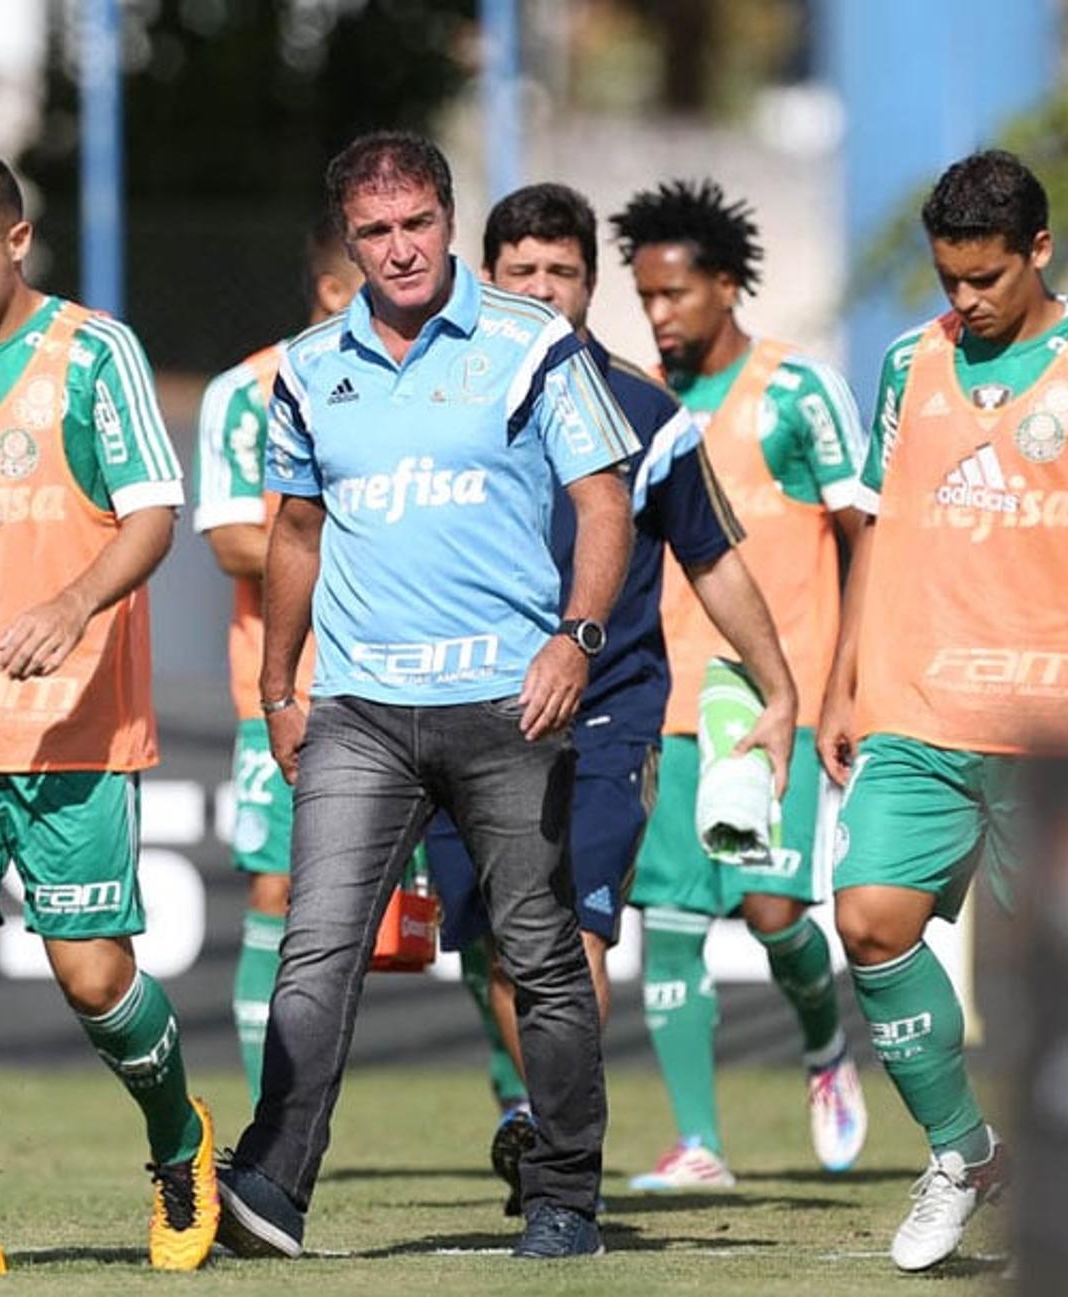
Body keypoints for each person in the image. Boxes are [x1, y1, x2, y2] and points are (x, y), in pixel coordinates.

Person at [213, 131, 638, 1262]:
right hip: (357, 707)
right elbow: (294, 530)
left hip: (510, 703)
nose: (398, 251)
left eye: (416, 225)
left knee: (538, 957)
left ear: (450, 220)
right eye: (374, 232)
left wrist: (576, 641)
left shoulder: (532, 342)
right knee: (317, 948)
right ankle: (271, 1189)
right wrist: (276, 683)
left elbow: (603, 502)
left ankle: (563, 1199)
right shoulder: (306, 369)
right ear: (347, 242)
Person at [0, 147, 217, 1275]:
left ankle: (179, 1138)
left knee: (93, 977)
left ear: (18, 241)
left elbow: (155, 515)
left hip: (73, 729)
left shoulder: (93, 354)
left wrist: (72, 603)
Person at [818, 149, 1068, 1271]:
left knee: (1052, 985)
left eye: (985, 280)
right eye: (947, 279)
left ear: (1040, 251)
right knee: (869, 916)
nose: (963, 302)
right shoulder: (905, 365)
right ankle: (964, 1152)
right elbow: (873, 526)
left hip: (1062, 728)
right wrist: (844, 677)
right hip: (922, 708)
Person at [420, 182, 800, 1214]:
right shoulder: (433, 398)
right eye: (522, 272)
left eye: (564, 272)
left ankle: (563, 1166)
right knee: (505, 949)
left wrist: (779, 685)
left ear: (592, 285)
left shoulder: (646, 413)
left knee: (568, 939)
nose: (544, 290)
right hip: (462, 709)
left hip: (606, 710)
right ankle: (553, 1121)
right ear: (485, 278)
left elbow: (714, 560)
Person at [607, 178, 870, 1190]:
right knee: (668, 922)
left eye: (675, 293)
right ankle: (698, 1144)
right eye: (646, 297)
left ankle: (821, 1048)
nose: (660, 314)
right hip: (664, 705)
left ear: (725, 285)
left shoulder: (797, 392)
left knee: (769, 909)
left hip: (774, 704)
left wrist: (841, 686)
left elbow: (864, 539)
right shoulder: (639, 403)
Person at [192, 221, 362, 1104]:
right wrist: (378, 554)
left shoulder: (435, 388)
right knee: (278, 890)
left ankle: (519, 1113)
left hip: (428, 679)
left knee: (467, 912)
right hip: (292, 689)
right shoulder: (245, 391)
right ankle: (273, 1123)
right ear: (335, 291)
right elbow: (229, 539)